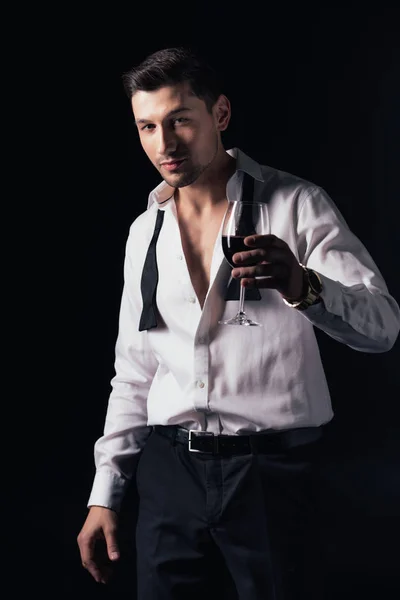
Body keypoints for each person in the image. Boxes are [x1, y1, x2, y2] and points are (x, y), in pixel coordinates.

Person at [77, 46, 400, 599]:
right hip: (169, 473)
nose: (165, 144)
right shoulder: (143, 232)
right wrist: (104, 494)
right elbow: (134, 373)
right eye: (148, 126)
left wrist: (304, 286)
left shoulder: (296, 204)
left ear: (220, 115)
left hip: (273, 476)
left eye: (180, 119)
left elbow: (382, 327)